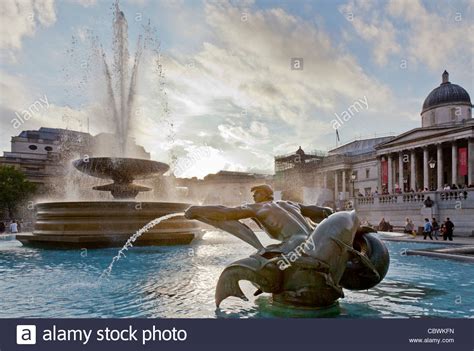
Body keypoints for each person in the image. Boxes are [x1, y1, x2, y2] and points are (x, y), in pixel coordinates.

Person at [185, 184, 333, 243]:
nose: (253, 197)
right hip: (316, 240)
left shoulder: (257, 208)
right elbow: (324, 212)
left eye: (256, 194)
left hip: (296, 246)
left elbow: (226, 212)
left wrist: (198, 209)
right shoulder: (289, 203)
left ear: (263, 194)